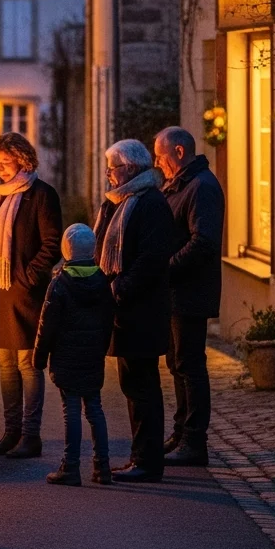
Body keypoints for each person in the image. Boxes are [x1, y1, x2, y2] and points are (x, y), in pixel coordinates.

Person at [0, 132, 62, 459]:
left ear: (23, 161)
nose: (0, 169)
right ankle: (10, 433)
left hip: (24, 293)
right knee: (5, 363)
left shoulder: (41, 194)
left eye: (6, 163)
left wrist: (27, 276)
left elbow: (52, 244)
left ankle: (30, 435)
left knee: (28, 363)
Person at [94, 139, 174, 484]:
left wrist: (119, 288)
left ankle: (147, 461)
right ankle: (141, 456)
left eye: (112, 168)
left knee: (142, 387)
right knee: (133, 385)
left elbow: (152, 259)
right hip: (124, 311)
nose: (108, 174)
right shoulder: (119, 202)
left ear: (129, 168)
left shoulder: (150, 203)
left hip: (141, 311)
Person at [154, 126, 225, 467]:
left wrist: (165, 269)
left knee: (189, 364)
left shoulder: (201, 187)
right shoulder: (181, 184)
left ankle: (194, 441)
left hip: (190, 292)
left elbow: (203, 242)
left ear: (179, 152)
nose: (157, 163)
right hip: (176, 292)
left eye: (161, 156)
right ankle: (182, 431)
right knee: (177, 363)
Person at [33, 224, 115, 487]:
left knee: (71, 411)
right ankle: (103, 467)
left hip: (66, 358)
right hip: (92, 357)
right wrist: (101, 349)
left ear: (66, 250)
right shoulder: (102, 282)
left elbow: (46, 325)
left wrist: (39, 357)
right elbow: (108, 320)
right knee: (95, 409)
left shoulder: (59, 284)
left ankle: (70, 467)